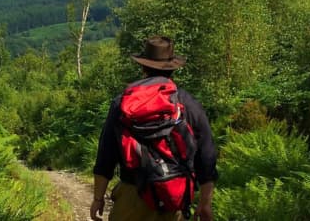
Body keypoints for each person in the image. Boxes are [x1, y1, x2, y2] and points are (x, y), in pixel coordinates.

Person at [90, 36, 218, 221]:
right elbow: (206, 156)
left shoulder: (123, 103)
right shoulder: (187, 104)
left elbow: (106, 155)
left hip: (131, 195)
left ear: (143, 67)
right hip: (173, 197)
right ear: (173, 68)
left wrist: (98, 198)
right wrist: (205, 202)